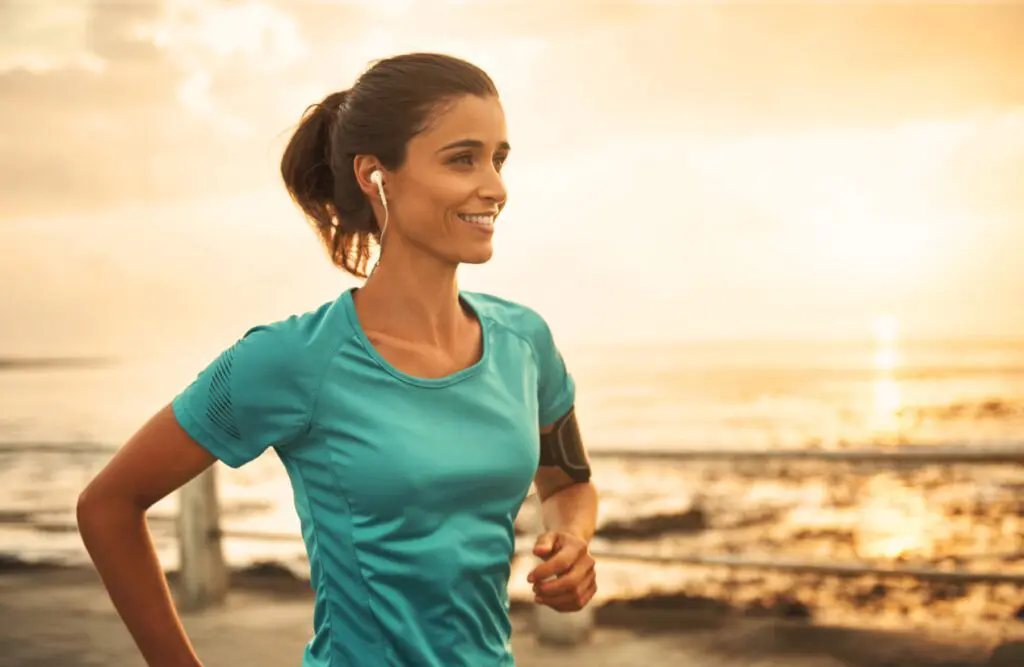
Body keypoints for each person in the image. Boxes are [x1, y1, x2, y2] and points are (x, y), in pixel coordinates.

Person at [76, 52, 599, 667]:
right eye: (463, 159)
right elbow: (108, 505)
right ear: (376, 176)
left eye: (499, 158)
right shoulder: (290, 358)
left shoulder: (523, 340)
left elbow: (570, 482)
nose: (495, 186)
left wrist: (570, 539)